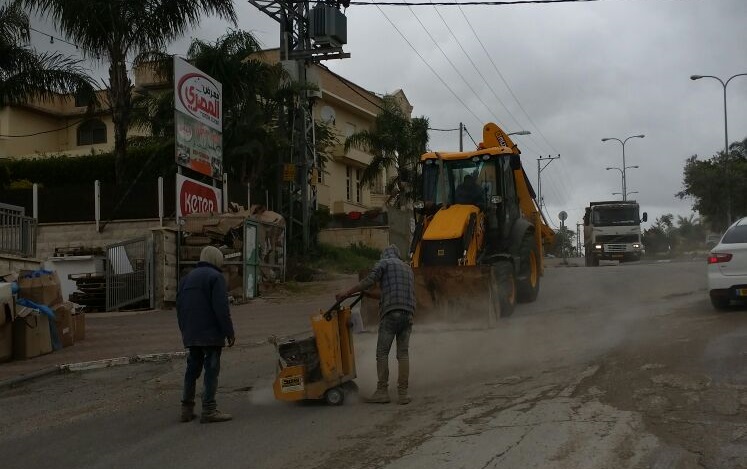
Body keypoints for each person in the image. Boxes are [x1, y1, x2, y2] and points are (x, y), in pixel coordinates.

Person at [336, 244, 416, 405]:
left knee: (382, 353)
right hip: (408, 314)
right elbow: (386, 293)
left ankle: (382, 391)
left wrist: (347, 292)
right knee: (403, 354)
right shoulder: (407, 269)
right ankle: (403, 394)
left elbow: (368, 281)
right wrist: (367, 294)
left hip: (391, 314)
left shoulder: (384, 263)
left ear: (384, 255)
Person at [177, 245, 236, 423]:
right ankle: (209, 409)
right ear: (217, 260)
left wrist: (185, 330)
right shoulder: (215, 277)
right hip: (210, 334)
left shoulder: (186, 278)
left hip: (191, 332)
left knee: (192, 369)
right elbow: (221, 308)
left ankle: (186, 409)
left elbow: (179, 307)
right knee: (211, 370)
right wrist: (229, 332)